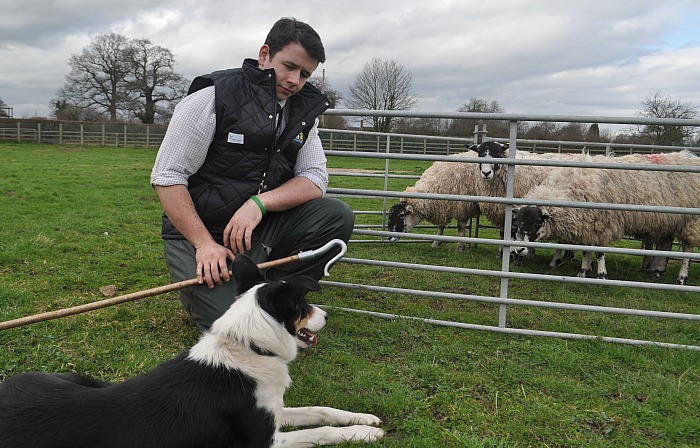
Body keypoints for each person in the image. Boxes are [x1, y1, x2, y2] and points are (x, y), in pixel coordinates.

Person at [150, 17, 354, 332]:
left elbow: (315, 179)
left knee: (335, 215)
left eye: (305, 74)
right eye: (289, 66)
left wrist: (258, 204)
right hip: (200, 234)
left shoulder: (303, 113)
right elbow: (167, 176)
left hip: (256, 229)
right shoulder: (211, 98)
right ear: (264, 55)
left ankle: (277, 292)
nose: (295, 81)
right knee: (235, 330)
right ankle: (227, 295)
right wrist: (203, 244)